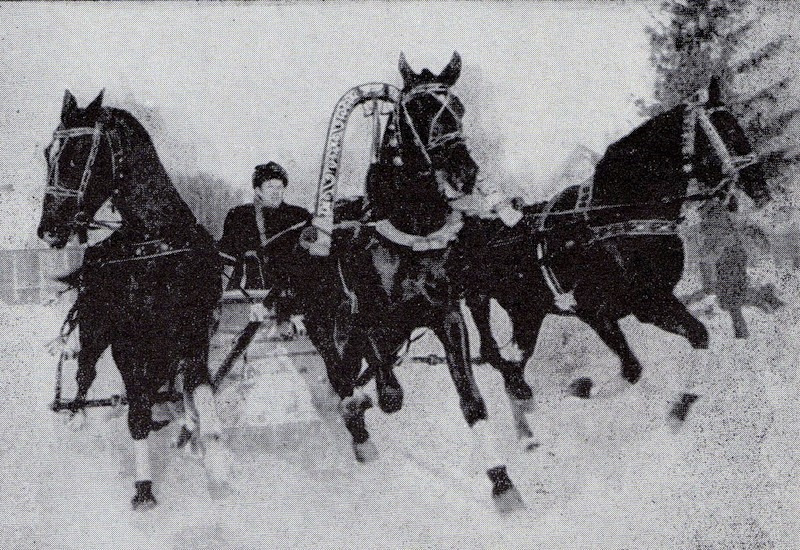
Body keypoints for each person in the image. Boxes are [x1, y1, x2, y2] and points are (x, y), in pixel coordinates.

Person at [218, 162, 311, 338]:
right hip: (249, 295)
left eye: (280, 187)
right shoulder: (239, 216)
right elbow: (226, 254)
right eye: (270, 187)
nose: (276, 191)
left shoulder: (299, 217)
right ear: (258, 190)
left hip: (291, 296)